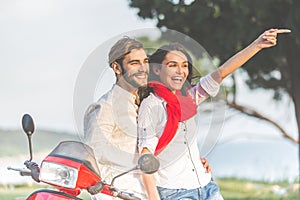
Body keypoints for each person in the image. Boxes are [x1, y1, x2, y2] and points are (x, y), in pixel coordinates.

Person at [137, 28, 290, 200]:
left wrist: (257, 45)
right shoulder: (151, 105)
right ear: (157, 70)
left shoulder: (188, 99)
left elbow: (221, 73)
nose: (180, 71)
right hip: (175, 192)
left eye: (184, 65)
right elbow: (146, 156)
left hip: (206, 186)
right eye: (172, 65)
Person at [84, 36, 211, 199]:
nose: (143, 68)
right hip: (119, 195)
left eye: (145, 61)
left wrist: (188, 160)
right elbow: (91, 159)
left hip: (150, 192)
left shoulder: (145, 103)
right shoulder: (104, 108)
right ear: (116, 67)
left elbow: (153, 144)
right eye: (135, 63)